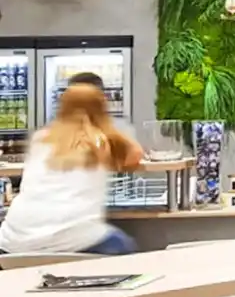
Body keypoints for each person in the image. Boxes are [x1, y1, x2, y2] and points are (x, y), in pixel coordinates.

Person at [0, 83, 143, 255]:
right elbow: (135, 154)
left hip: (12, 241)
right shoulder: (100, 140)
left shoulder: (41, 138)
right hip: (77, 238)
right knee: (126, 248)